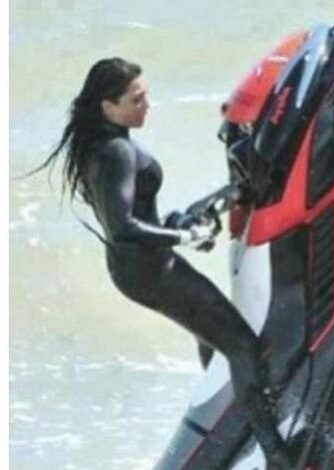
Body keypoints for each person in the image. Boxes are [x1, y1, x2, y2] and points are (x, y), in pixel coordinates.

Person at [36, 57, 291, 468]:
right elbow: (123, 227)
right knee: (240, 344)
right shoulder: (116, 151)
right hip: (151, 272)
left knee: (214, 336)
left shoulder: (103, 142)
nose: (147, 105)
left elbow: (134, 214)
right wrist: (183, 237)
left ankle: (232, 425)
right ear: (108, 107)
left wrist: (177, 223)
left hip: (140, 267)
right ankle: (275, 453)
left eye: (146, 94)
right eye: (135, 99)